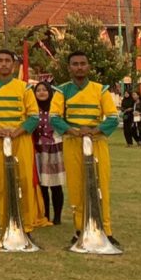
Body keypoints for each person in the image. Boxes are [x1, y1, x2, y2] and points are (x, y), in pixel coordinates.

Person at [50, 51, 121, 246]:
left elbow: (113, 117)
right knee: (76, 187)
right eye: (75, 64)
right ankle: (80, 229)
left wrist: (94, 130)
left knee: (101, 186)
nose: (79, 67)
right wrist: (73, 131)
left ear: (89, 66)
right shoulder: (61, 91)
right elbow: (54, 117)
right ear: (69, 67)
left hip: (97, 142)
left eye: (83, 63)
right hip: (73, 143)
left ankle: (105, 229)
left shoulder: (101, 90)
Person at [0, 49, 48, 238]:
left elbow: (33, 116)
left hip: (21, 138)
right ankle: (4, 225)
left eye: (7, 60)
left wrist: (16, 131)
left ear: (13, 64)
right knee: (1, 181)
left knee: (24, 181)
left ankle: (27, 227)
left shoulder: (24, 88)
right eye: (0, 60)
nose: (4, 64)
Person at [31, 81, 65, 226]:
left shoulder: (56, 108)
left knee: (56, 184)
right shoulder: (32, 109)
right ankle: (45, 215)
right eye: (38, 90)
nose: (41, 92)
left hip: (54, 147)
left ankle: (57, 216)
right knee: (42, 185)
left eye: (45, 90)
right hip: (38, 149)